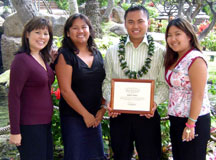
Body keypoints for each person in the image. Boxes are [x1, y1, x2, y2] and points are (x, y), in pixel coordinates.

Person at [102, 5, 168, 160]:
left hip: (148, 115)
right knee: (121, 155)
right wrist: (111, 101)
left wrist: (154, 103)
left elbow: (164, 84)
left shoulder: (160, 52)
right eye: (130, 22)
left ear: (148, 22)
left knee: (150, 156)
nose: (135, 26)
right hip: (119, 115)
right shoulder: (112, 51)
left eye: (140, 21)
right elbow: (106, 82)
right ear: (125, 24)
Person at [55, 13, 106, 160]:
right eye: (75, 28)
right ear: (68, 32)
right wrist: (85, 115)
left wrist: (103, 109)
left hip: (95, 117)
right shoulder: (65, 55)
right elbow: (65, 90)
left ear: (90, 30)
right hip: (74, 118)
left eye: (84, 27)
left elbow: (103, 84)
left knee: (96, 155)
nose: (80, 31)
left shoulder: (97, 54)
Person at [8, 17, 55, 160]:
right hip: (29, 126)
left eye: (46, 33)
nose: (42, 37)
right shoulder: (21, 60)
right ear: (27, 34)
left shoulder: (41, 56)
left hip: (44, 124)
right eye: (37, 32)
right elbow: (13, 96)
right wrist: (15, 131)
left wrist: (53, 64)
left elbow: (42, 80)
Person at [164, 17, 211, 160]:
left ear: (189, 36)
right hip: (177, 118)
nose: (173, 39)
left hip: (193, 120)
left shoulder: (195, 59)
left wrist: (190, 124)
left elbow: (198, 95)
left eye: (177, 34)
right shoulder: (175, 58)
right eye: (169, 35)